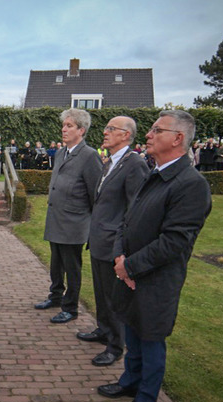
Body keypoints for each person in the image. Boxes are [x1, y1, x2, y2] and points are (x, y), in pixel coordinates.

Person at [98, 110, 211, 402]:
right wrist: (121, 258)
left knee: (150, 339)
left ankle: (146, 400)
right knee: (133, 331)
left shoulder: (191, 184)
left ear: (177, 139)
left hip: (155, 279)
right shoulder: (154, 172)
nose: (147, 135)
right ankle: (129, 382)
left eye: (156, 130)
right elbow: (128, 221)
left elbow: (175, 242)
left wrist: (130, 266)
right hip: (131, 272)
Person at [77, 116, 149, 367]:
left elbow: (135, 210)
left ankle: (116, 345)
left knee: (115, 298)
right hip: (98, 240)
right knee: (101, 292)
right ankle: (103, 329)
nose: (105, 133)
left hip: (114, 244)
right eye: (106, 128)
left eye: (111, 129)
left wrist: (124, 248)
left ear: (126, 135)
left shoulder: (134, 165)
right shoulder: (109, 162)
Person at [34, 108, 102, 323]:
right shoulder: (62, 152)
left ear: (81, 130)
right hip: (56, 218)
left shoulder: (90, 156)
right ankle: (55, 296)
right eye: (64, 125)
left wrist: (90, 224)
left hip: (74, 222)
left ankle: (70, 308)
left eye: (69, 126)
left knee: (72, 267)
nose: (64, 129)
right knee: (56, 263)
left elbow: (95, 194)